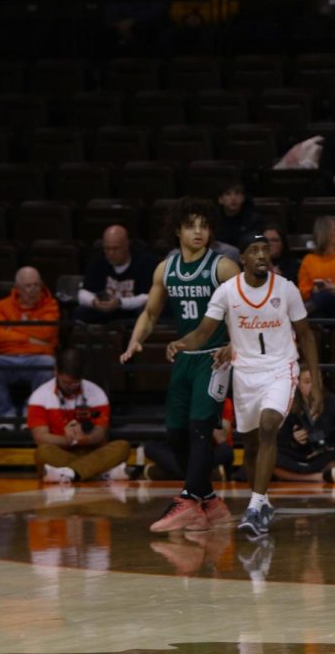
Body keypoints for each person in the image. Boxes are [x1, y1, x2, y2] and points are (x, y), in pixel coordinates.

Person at [169, 234, 324, 537]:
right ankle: (262, 502)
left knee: (269, 426)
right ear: (242, 258)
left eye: (265, 250)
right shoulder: (227, 292)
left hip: (281, 368)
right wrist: (180, 343)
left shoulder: (286, 288)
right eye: (254, 251)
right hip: (245, 374)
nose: (262, 255)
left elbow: (306, 335)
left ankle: (255, 505)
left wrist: (315, 381)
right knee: (251, 445)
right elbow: (203, 332)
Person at [120, 197, 239, 533]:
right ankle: (209, 500)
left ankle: (188, 500)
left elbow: (246, 310)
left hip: (214, 357)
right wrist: (135, 339)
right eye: (191, 226)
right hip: (185, 358)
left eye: (204, 225)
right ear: (178, 231)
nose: (199, 232)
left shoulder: (223, 267)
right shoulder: (166, 269)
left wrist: (234, 344)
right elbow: (150, 312)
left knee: (201, 428)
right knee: (175, 433)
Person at [30, 349, 131, 484]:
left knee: (122, 446)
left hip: (92, 450)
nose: (71, 387)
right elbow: (40, 437)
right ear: (56, 372)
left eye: (75, 383)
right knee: (42, 452)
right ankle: (100, 472)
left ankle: (69, 473)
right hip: (61, 451)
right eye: (66, 382)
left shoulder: (96, 393)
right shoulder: (40, 396)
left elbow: (100, 433)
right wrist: (67, 440)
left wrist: (85, 439)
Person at [0, 267, 59, 421]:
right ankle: (4, 413)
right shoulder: (2, 306)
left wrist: (11, 329)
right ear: (18, 288)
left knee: (48, 363)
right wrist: (29, 338)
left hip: (37, 357)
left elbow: (47, 333)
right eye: (28, 286)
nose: (34, 290)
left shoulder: (50, 305)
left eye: (37, 285)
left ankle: (32, 408)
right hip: (6, 357)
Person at [275, 365, 335, 483]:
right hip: (297, 455)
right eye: (307, 382)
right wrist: (294, 440)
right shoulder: (289, 404)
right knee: (271, 458)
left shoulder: (334, 403)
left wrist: (327, 448)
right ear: (298, 383)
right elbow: (280, 442)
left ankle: (323, 474)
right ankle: (316, 478)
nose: (313, 386)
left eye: (317, 382)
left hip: (325, 455)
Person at [75, 225, 157, 326]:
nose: (111, 253)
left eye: (116, 249)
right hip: (103, 311)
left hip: (131, 313)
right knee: (80, 312)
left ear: (127, 245)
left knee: (144, 312)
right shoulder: (97, 260)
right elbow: (83, 293)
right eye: (107, 249)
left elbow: (150, 297)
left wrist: (120, 303)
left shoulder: (146, 262)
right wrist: (94, 302)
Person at [143, 398, 235, 481]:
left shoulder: (223, 401)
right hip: (186, 451)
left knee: (226, 450)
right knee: (150, 447)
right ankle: (209, 475)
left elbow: (221, 438)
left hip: (210, 450)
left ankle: (162, 473)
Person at [215, 181, 264, 251]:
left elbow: (258, 237)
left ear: (243, 198)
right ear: (220, 200)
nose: (233, 198)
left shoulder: (254, 219)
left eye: (237, 194)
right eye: (228, 194)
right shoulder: (214, 218)